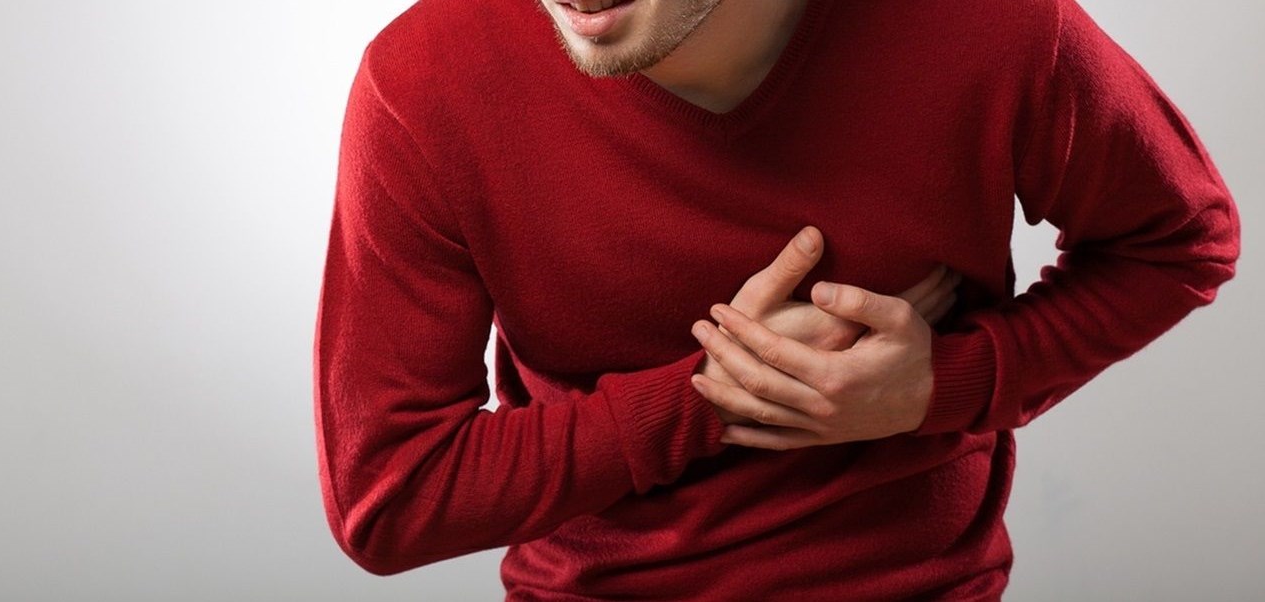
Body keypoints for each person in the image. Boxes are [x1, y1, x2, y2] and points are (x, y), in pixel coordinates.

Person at [313, 0, 1241, 599]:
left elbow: (1179, 237)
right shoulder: (424, 82)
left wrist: (943, 383)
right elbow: (389, 499)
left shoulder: (991, 25)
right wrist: (714, 396)